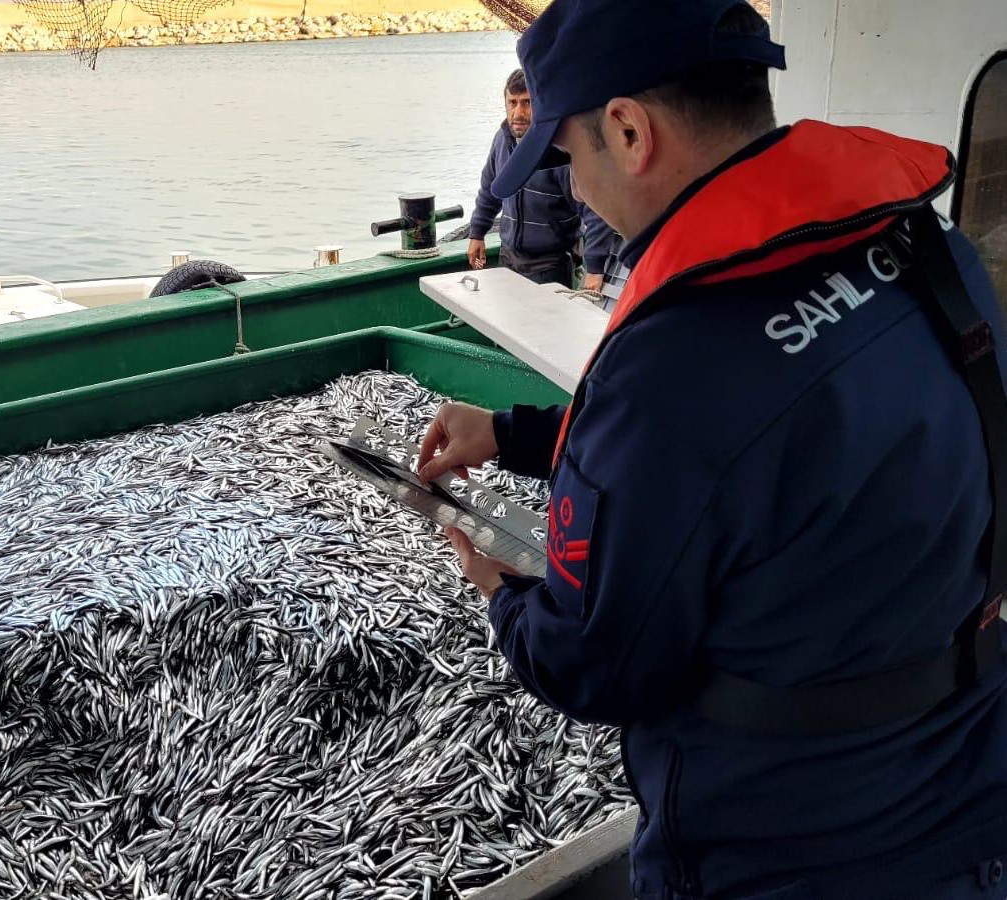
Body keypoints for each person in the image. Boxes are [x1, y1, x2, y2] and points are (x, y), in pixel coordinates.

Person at [417, 1, 1007, 897]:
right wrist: (507, 435)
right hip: (974, 796)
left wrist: (500, 590)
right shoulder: (934, 248)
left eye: (570, 158)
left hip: (780, 852)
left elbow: (594, 662)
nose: (574, 191)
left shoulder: (668, 372)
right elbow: (770, 446)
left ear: (627, 130)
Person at [467, 68, 616, 289]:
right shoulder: (501, 140)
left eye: (527, 103)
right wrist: (477, 232)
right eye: (513, 102)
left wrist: (594, 269)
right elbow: (489, 190)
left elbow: (596, 212)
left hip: (550, 265)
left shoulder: (561, 152)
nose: (518, 112)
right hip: (508, 257)